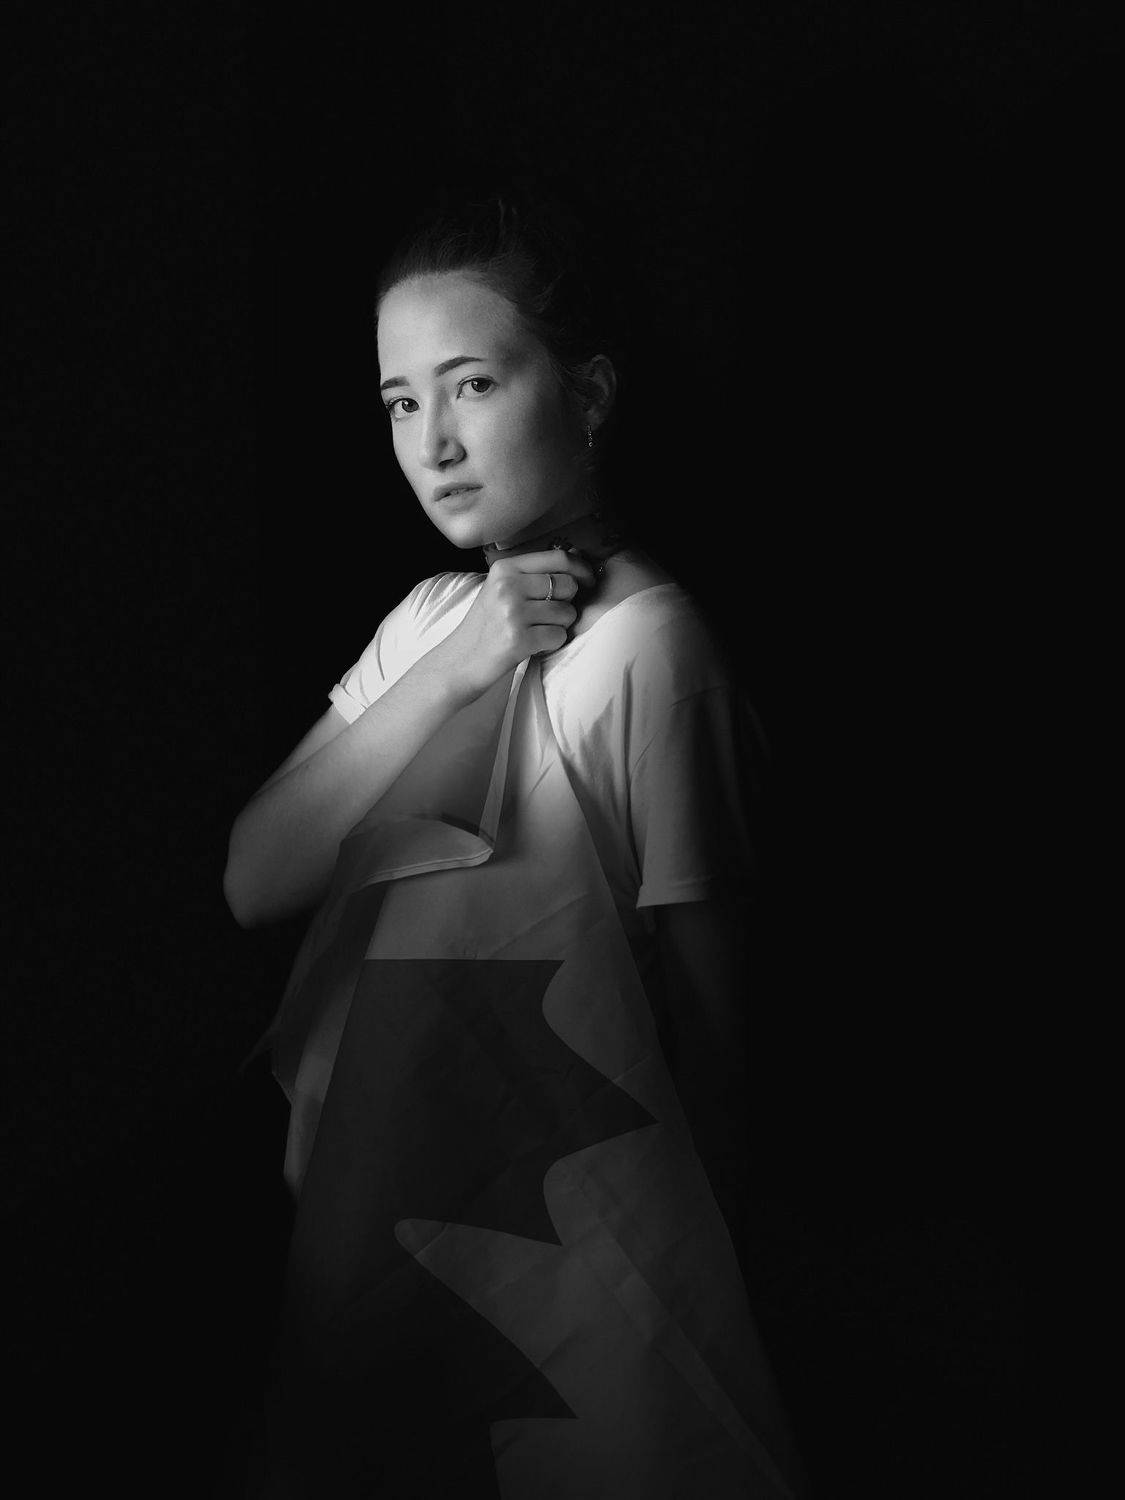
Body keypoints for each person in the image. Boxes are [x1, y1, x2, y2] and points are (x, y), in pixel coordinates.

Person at [224, 190, 803, 1499]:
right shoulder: (430, 621)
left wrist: (711, 1295)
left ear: (587, 393)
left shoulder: (653, 647)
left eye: (472, 384)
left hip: (584, 1250)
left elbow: (715, 1025)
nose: (431, 442)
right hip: (391, 1216)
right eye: (398, 402)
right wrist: (460, 665)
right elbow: (256, 877)